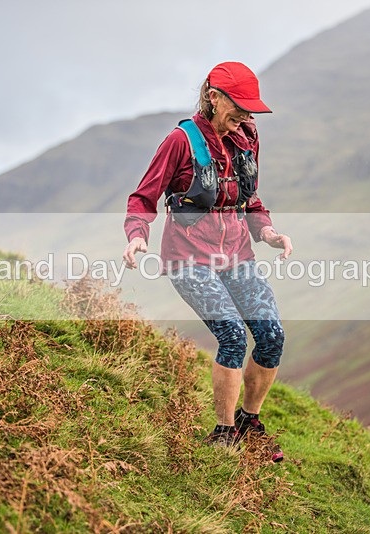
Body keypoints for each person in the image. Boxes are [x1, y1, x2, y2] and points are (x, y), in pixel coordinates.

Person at [122, 61, 292, 462]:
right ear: (213, 97)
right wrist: (136, 236)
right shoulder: (180, 141)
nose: (246, 116)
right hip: (189, 261)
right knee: (233, 336)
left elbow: (250, 200)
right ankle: (224, 434)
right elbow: (142, 198)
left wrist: (267, 232)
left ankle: (249, 423)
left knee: (272, 337)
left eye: (251, 109)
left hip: (237, 255)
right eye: (239, 107)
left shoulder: (247, 136)